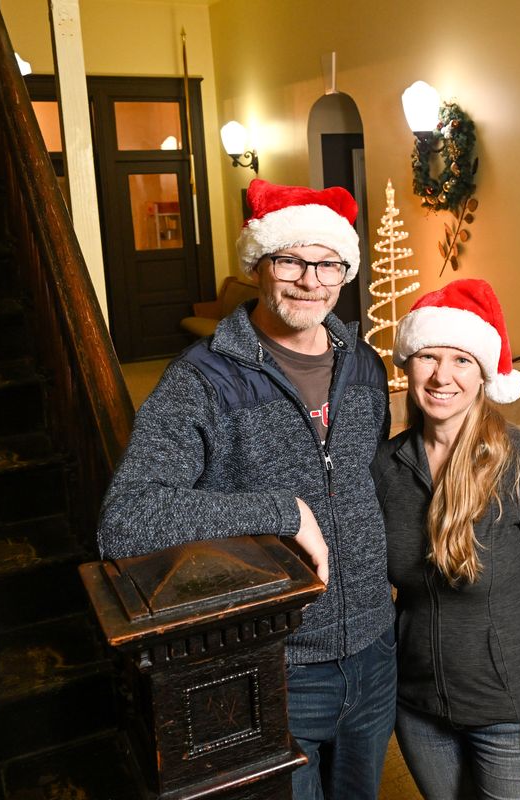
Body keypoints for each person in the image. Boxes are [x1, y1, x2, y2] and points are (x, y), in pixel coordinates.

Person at [97, 179, 396, 800]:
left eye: (328, 263)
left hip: (374, 650)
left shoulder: (365, 364)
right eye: (291, 259)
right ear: (259, 264)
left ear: (345, 272)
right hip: (275, 662)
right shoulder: (200, 381)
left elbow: (362, 476)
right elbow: (124, 520)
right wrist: (279, 510)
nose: (310, 280)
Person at [371, 279, 520, 798]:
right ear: (407, 366)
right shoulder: (387, 467)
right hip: (417, 705)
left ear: (484, 373)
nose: (442, 376)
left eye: (461, 360)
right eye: (428, 357)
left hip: (506, 714)